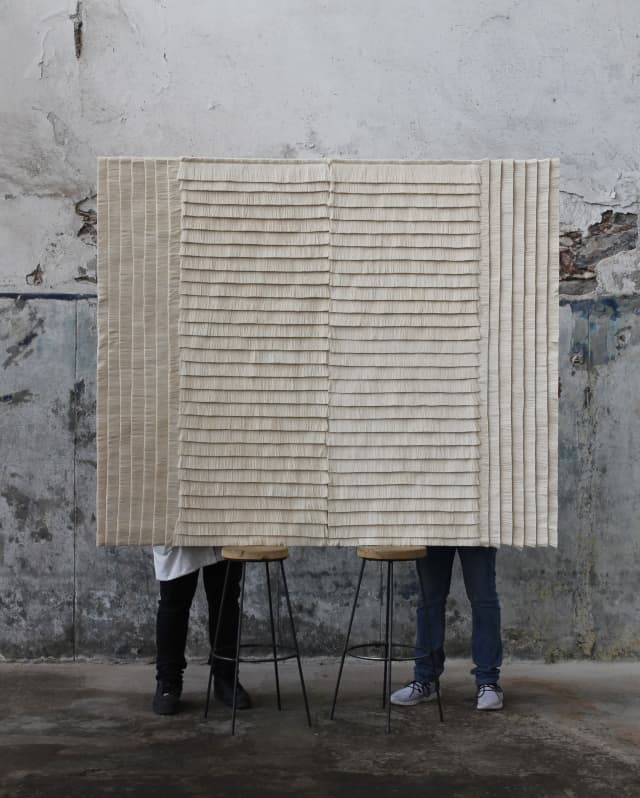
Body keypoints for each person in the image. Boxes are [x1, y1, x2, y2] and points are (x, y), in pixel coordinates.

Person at [390, 546, 504, 711]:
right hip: (435, 522)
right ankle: (425, 680)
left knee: (483, 599)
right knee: (429, 599)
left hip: (476, 522)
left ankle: (488, 682)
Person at [152, 545, 251, 715]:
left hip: (224, 524)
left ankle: (226, 678)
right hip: (177, 526)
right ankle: (168, 681)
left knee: (225, 597)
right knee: (174, 599)